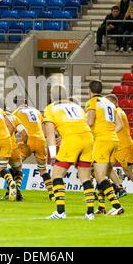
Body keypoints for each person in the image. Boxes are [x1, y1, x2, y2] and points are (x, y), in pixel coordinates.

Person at [43, 84, 97, 219]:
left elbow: (50, 135)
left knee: (56, 175)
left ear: (52, 96)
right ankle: (90, 212)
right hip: (88, 138)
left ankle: (60, 212)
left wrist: (53, 155)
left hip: (72, 140)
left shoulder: (50, 109)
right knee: (85, 177)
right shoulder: (77, 106)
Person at [85, 81, 125, 216]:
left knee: (99, 175)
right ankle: (102, 207)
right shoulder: (109, 103)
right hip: (113, 140)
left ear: (89, 90)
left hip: (102, 141)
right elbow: (120, 125)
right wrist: (109, 133)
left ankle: (117, 205)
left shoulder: (92, 102)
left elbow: (89, 122)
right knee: (100, 173)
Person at [106, 94, 133, 200]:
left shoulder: (118, 112)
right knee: (106, 167)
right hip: (117, 146)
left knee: (129, 171)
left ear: (114, 103)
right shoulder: (116, 111)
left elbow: (118, 127)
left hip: (124, 146)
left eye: (108, 103)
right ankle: (120, 189)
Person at [13, 101, 55, 201]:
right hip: (40, 140)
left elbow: (14, 128)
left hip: (28, 141)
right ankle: (52, 193)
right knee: (43, 169)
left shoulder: (17, 112)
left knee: (16, 166)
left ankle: (16, 190)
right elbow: (44, 129)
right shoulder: (36, 111)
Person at [3, 109, 28, 201]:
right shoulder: (14, 118)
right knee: (18, 169)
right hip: (13, 148)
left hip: (1, 147)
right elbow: (24, 134)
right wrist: (24, 144)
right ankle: (16, 188)